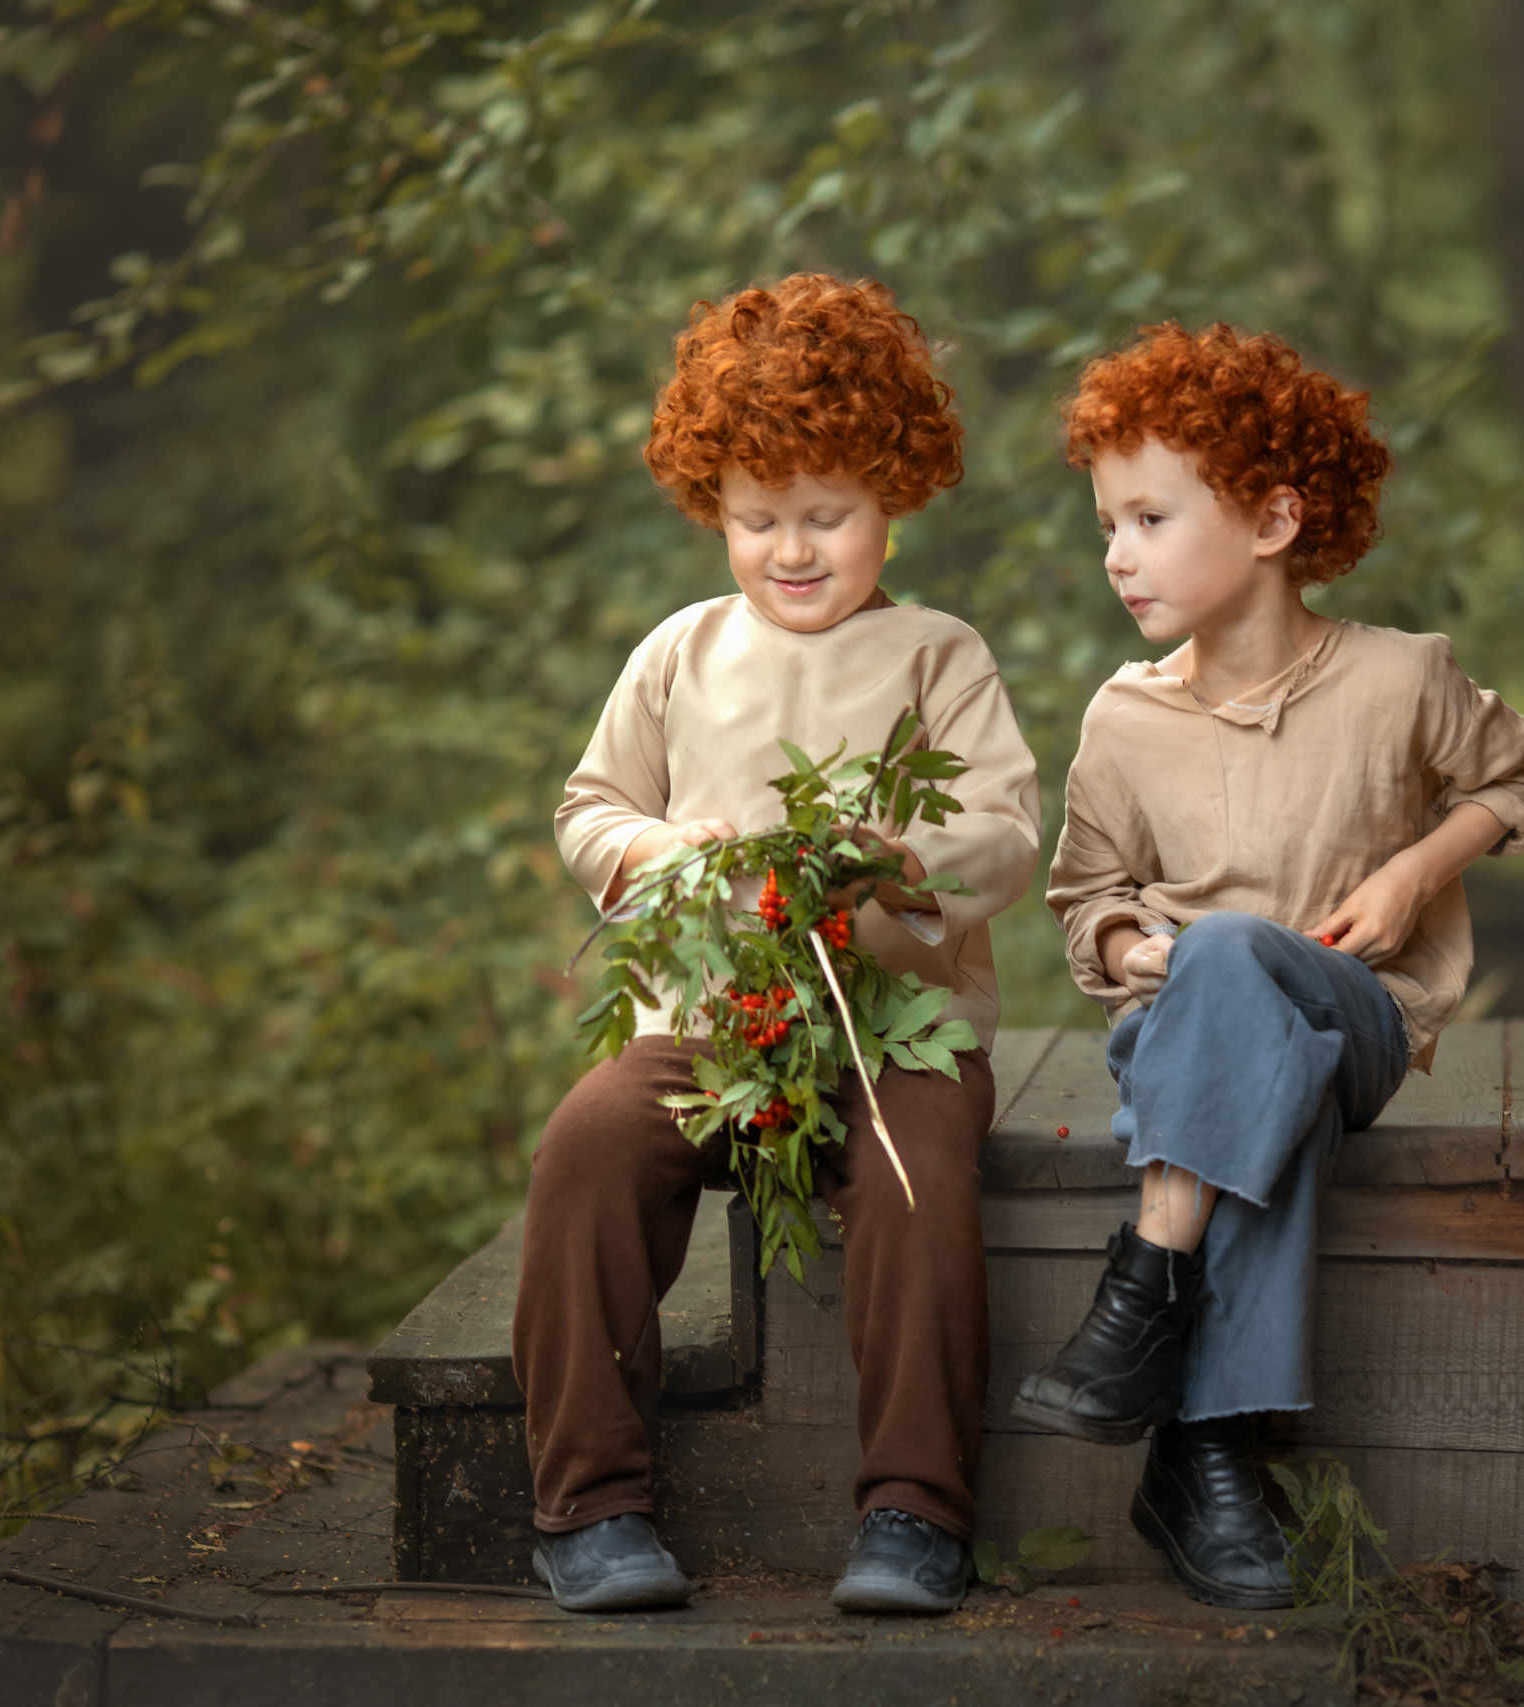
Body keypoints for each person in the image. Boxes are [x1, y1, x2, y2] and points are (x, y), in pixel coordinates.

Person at [513, 274, 1040, 1616]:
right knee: (587, 1145)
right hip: (708, 1021)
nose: (792, 550)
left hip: (891, 1028)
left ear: (895, 495)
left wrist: (898, 858)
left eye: (828, 515)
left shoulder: (936, 653)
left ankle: (917, 1507)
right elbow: (589, 809)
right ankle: (591, 1503)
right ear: (714, 504)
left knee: (917, 1175)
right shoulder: (681, 652)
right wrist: (670, 853)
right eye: (757, 518)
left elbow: (1009, 830)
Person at [1024, 322, 1524, 1609]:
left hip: (1356, 1011)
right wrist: (1143, 947)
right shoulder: (1124, 717)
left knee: (1251, 967)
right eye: (1108, 523)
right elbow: (1082, 899)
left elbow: (1518, 772)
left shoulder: (1397, 678)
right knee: (1236, 1001)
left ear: (1270, 519)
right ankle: (1205, 1458)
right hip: (1188, 1028)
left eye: (1149, 518)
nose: (1116, 554)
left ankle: (1142, 1284)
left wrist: (1414, 873)